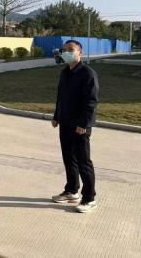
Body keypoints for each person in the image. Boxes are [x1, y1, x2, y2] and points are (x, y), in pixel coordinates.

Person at [51, 39, 99, 213]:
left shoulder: (88, 74)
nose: (67, 52)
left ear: (80, 53)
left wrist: (84, 123)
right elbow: (61, 96)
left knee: (83, 161)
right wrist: (57, 116)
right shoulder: (65, 72)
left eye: (71, 49)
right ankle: (72, 190)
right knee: (68, 158)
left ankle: (89, 198)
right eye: (65, 50)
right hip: (65, 122)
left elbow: (91, 102)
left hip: (80, 125)